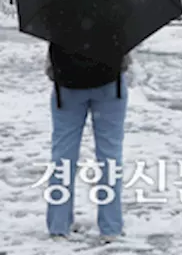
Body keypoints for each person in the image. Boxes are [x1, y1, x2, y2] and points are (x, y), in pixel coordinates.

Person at [45, 42, 129, 240]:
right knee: (110, 155)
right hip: (109, 82)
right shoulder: (118, 11)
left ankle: (59, 224)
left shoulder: (58, 12)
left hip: (67, 84)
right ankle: (111, 227)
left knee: (63, 155)